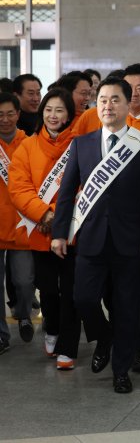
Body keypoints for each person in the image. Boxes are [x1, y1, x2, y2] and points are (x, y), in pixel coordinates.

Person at [51, 77, 140, 394]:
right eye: (102, 100)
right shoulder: (81, 145)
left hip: (130, 240)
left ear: (128, 105)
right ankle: (104, 337)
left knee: (127, 307)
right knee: (83, 298)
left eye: (114, 100)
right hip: (91, 239)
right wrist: (60, 233)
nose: (107, 106)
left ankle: (121, 371)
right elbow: (67, 192)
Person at [8, 88, 80, 369]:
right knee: (48, 288)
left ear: (69, 115)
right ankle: (51, 328)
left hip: (73, 233)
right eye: (48, 109)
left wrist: (62, 219)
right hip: (41, 232)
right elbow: (19, 188)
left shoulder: (80, 144)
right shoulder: (27, 146)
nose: (53, 115)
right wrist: (45, 215)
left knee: (72, 290)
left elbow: (85, 187)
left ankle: (68, 347)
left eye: (60, 110)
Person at [0, 93, 35, 354]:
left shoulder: (29, 144)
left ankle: (23, 313)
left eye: (10, 113)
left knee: (24, 281)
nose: (5, 120)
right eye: (0, 115)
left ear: (18, 114)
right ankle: (2, 335)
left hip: (23, 225)